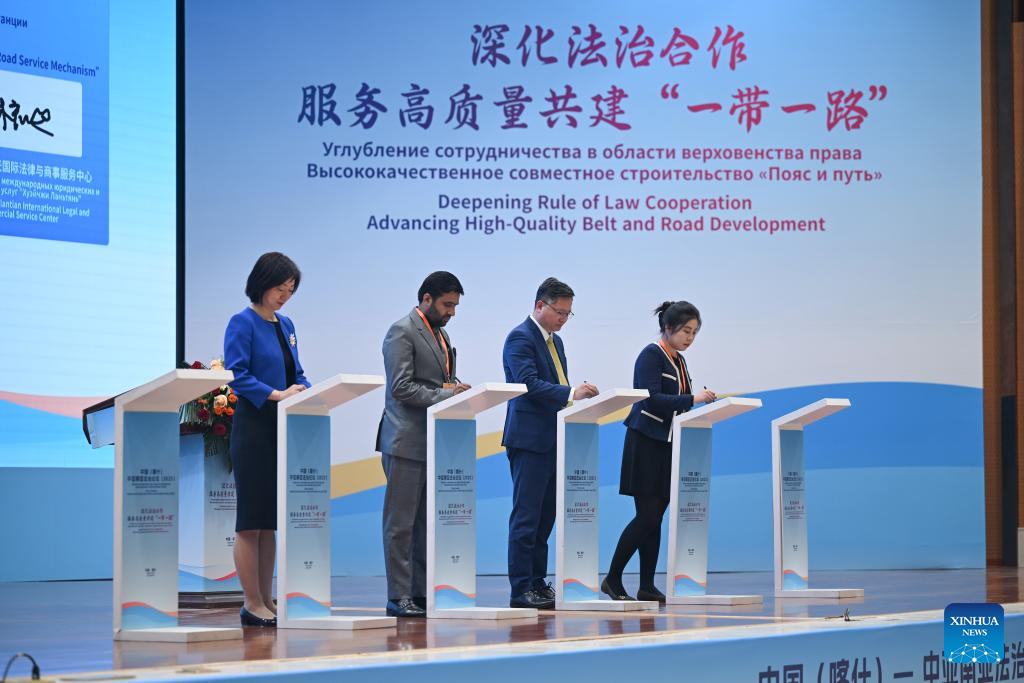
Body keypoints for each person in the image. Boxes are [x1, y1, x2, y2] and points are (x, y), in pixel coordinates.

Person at [601, 301, 716, 602]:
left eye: (694, 332)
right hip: (645, 442)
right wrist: (693, 398)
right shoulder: (650, 355)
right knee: (647, 516)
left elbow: (680, 400)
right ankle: (612, 578)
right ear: (668, 327)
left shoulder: (680, 360)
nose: (690, 338)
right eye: (686, 331)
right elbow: (651, 399)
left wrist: (695, 402)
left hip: (668, 444)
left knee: (655, 518)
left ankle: (647, 585)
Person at [223, 252, 310, 627]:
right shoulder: (241, 323)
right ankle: (251, 602)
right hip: (254, 428)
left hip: (280, 428)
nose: (285, 296)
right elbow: (237, 375)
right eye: (280, 289)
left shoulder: (286, 324)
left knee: (269, 522)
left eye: (290, 290)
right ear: (261, 283)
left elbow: (297, 372)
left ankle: (267, 599)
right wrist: (277, 395)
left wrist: (306, 391)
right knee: (250, 521)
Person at [502, 277, 599, 609]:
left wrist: (575, 400)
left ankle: (538, 582)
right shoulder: (520, 337)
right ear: (539, 305)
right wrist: (572, 393)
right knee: (527, 517)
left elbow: (557, 386)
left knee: (545, 519)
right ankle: (520, 588)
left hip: (554, 437)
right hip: (529, 440)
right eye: (559, 312)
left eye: (569, 313)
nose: (563, 319)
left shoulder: (555, 342)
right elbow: (527, 384)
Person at [377, 271, 470, 618]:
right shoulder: (401, 331)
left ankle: (418, 591)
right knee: (400, 524)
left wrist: (456, 388)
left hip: (431, 440)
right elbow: (401, 387)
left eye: (455, 306)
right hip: (404, 440)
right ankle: (398, 595)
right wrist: (447, 394)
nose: (452, 312)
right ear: (426, 298)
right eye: (447, 304)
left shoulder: (441, 334)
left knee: (422, 524)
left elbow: (438, 381)